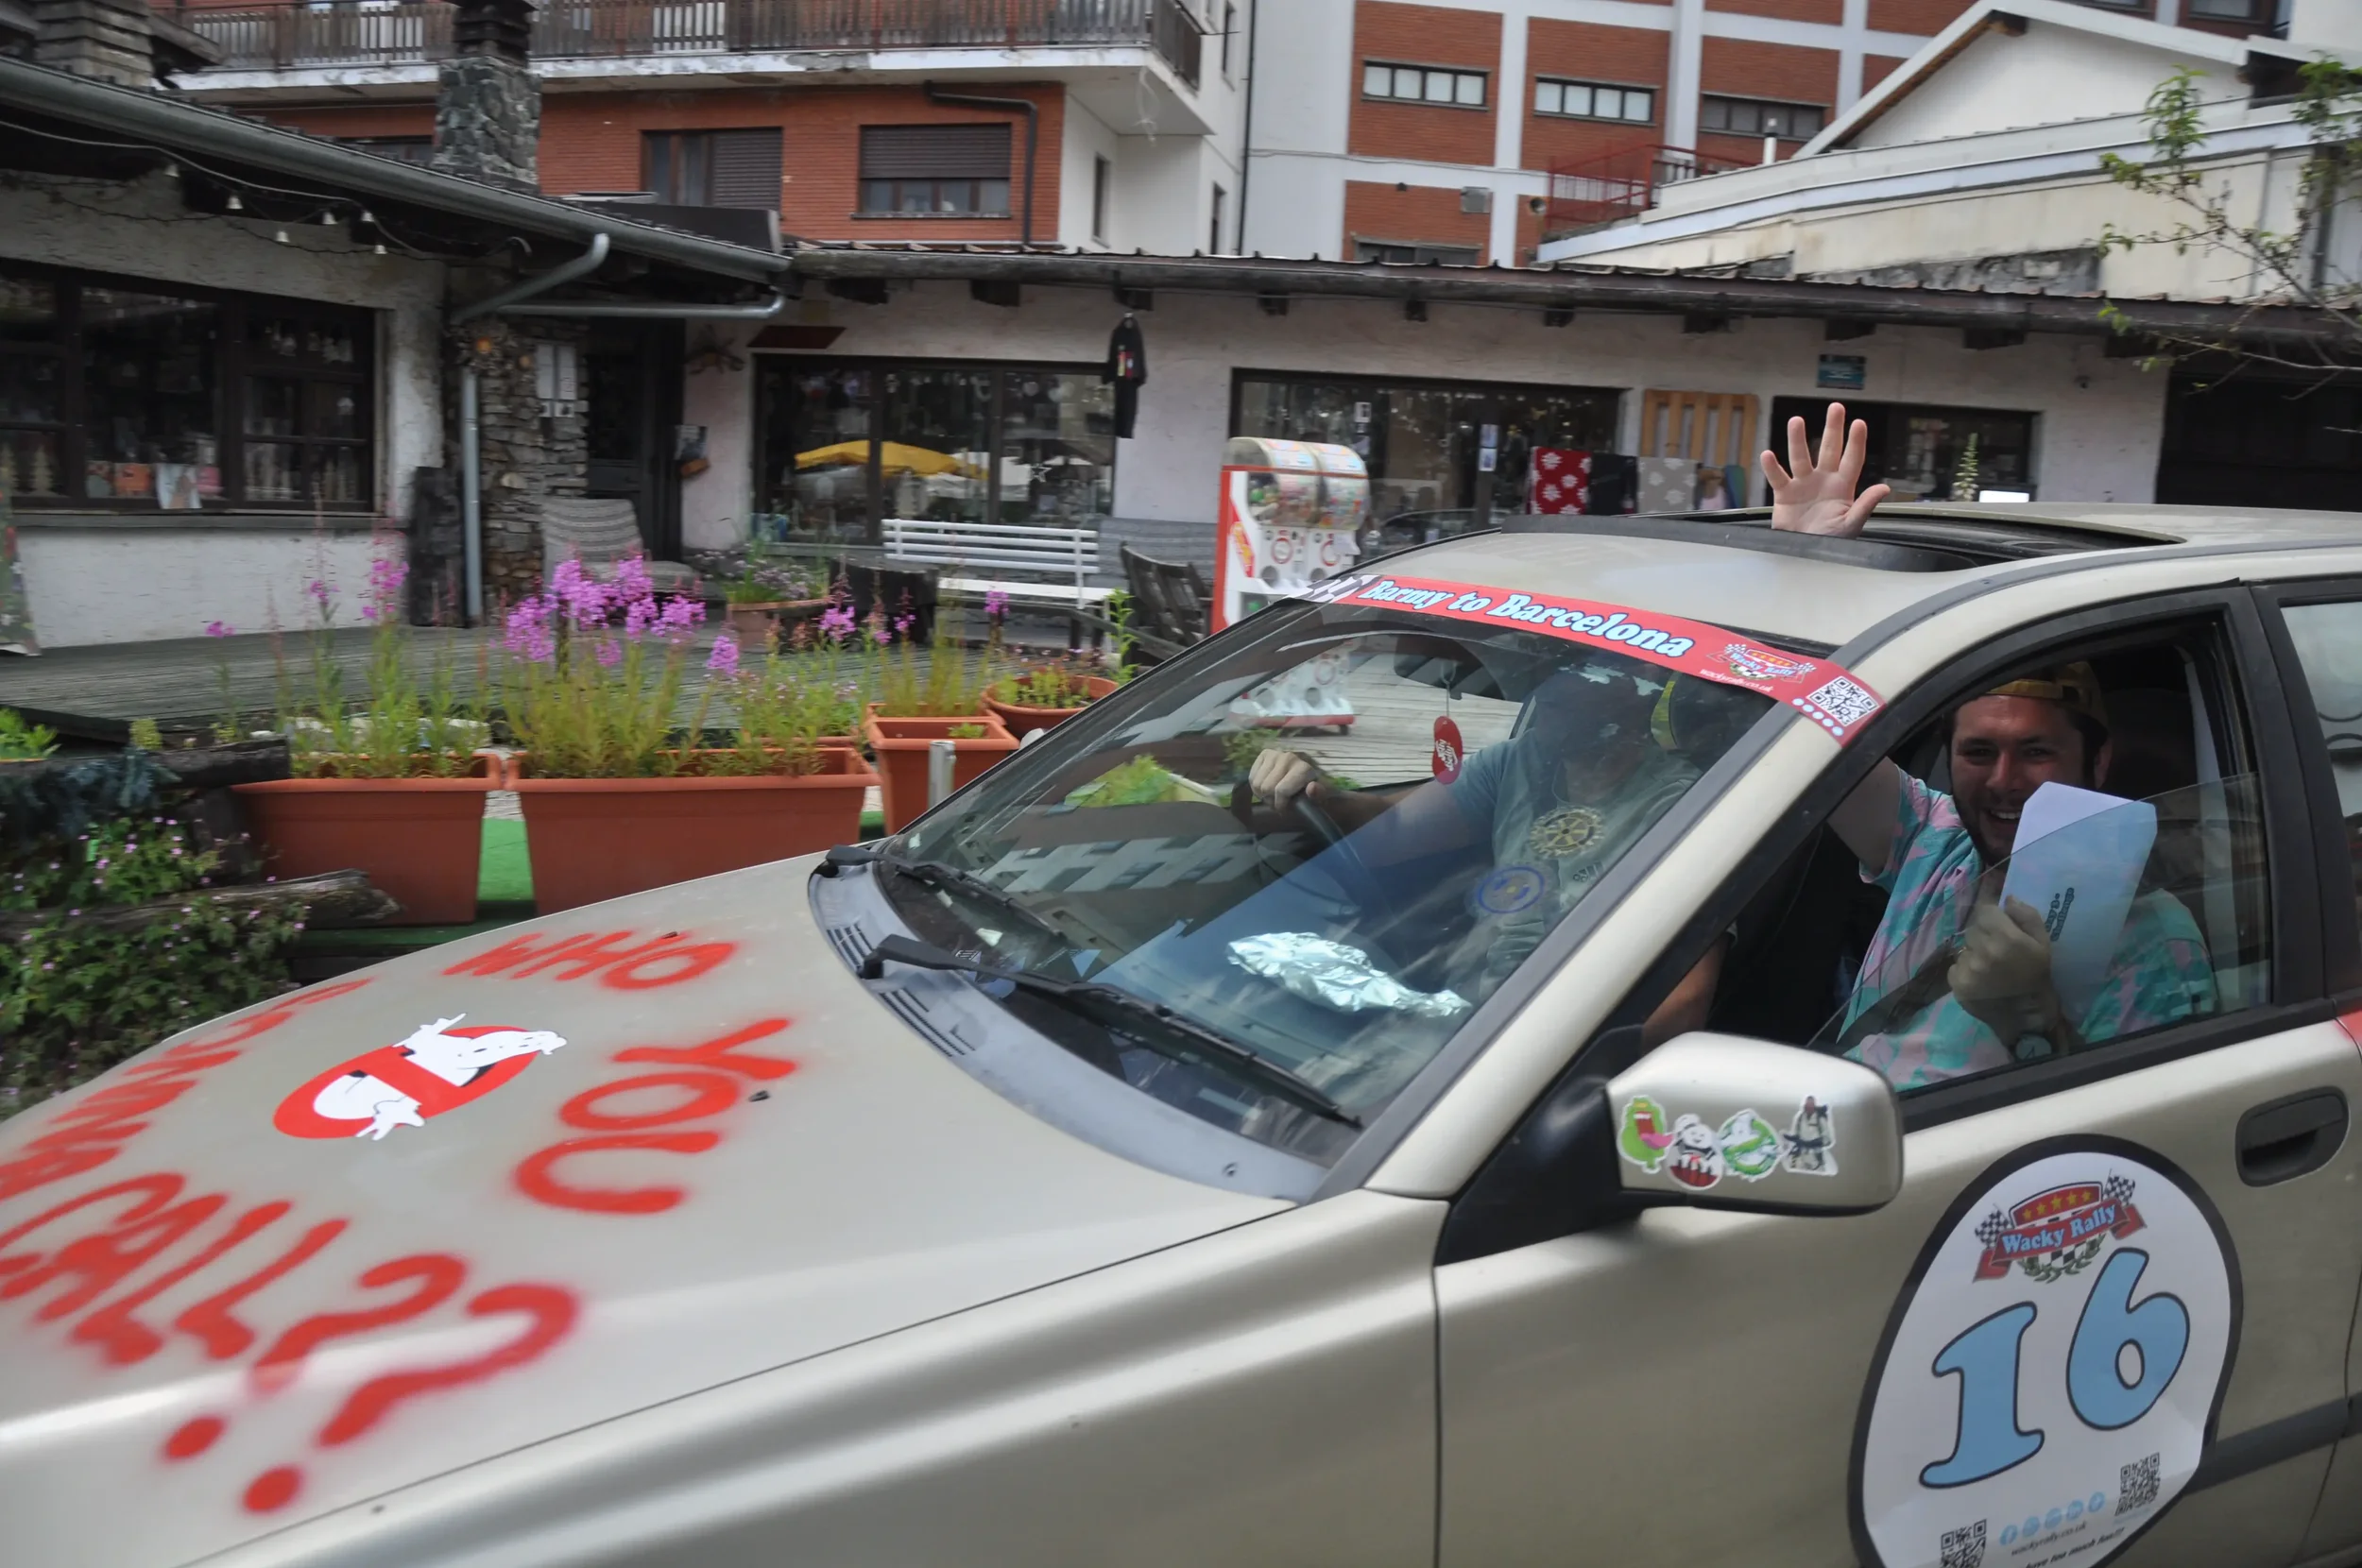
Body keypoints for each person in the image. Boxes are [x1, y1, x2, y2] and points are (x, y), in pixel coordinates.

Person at [1762, 403, 2217, 1087]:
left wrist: (2030, 1021)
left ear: (2097, 762)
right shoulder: (1932, 839)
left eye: (2036, 752)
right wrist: (1804, 567)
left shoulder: (2154, 939)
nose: (2004, 779)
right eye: (1978, 753)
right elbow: (1811, 721)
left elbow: (2136, 1145)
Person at [1248, 662, 1730, 1041]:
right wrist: (1316, 792)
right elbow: (1391, 833)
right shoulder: (1517, 760)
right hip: (1472, 1016)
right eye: (1547, 669)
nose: (1546, 685)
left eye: (1580, 670)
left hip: (1549, 1040)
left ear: (1639, 681)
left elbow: (1681, 1002)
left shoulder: (1688, 808)